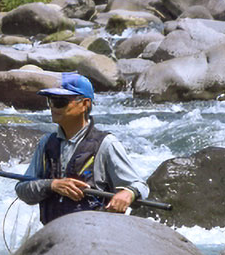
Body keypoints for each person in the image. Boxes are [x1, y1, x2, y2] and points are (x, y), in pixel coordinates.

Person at [15, 73, 149, 225]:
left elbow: (140, 186)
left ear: (85, 104)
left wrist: (128, 193)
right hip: (52, 237)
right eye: (50, 101)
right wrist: (51, 185)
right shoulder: (46, 143)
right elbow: (22, 189)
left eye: (60, 102)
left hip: (93, 238)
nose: (52, 107)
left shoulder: (106, 144)